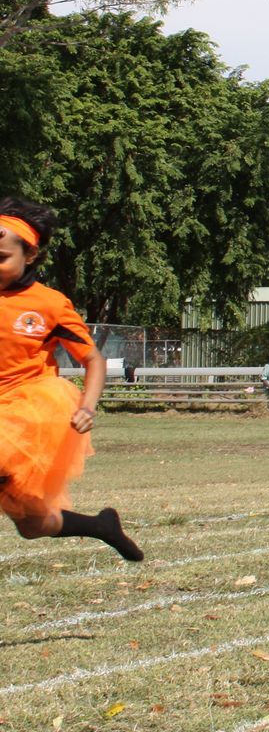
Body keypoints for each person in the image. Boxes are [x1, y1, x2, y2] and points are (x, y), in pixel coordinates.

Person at [0, 198, 143, 561]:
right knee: (32, 525)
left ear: (30, 255)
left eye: (2, 257)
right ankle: (101, 527)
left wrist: (87, 406)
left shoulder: (49, 304)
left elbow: (92, 360)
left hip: (29, 409)